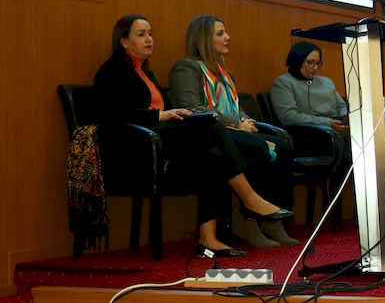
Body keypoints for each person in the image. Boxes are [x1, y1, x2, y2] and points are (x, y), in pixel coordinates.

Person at [93, 14, 292, 258]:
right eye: (141, 34)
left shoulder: (146, 73)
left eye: (150, 34)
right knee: (210, 125)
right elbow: (114, 115)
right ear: (123, 41)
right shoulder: (112, 72)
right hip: (138, 146)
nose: (149, 39)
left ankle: (208, 237)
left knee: (214, 157)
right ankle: (250, 199)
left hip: (162, 137)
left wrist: (169, 114)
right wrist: (160, 115)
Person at [170, 15, 298, 248]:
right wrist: (237, 124)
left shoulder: (224, 72)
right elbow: (193, 109)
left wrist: (246, 120)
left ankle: (273, 223)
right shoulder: (187, 67)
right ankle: (247, 221)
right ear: (204, 38)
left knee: (283, 146)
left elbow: (235, 106)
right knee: (256, 146)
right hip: (208, 136)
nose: (227, 37)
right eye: (220, 33)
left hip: (232, 130)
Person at [270, 41, 349, 131]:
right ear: (297, 61)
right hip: (311, 131)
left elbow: (341, 106)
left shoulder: (327, 81)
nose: (315, 67)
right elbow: (289, 117)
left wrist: (346, 118)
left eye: (317, 63)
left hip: (337, 126)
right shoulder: (283, 82)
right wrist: (328, 123)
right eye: (310, 62)